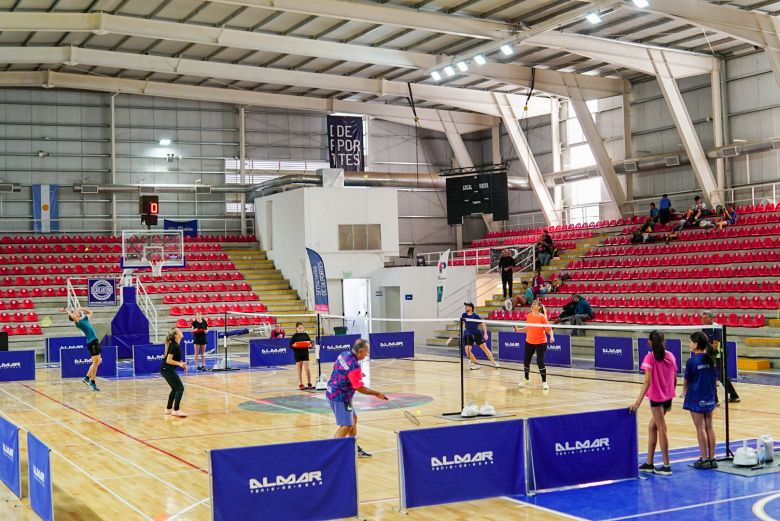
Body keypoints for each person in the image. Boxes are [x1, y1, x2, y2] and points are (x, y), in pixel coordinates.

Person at [326, 338, 387, 458]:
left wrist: (356, 375)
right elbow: (359, 388)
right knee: (346, 425)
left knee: (353, 419)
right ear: (360, 351)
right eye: (366, 351)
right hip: (340, 397)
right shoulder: (354, 365)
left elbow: (338, 369)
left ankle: (352, 447)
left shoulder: (344, 354)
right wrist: (376, 393)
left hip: (332, 390)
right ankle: (332, 453)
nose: (367, 354)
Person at [629, 331, 677, 476]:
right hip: (668, 397)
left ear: (650, 342)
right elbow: (674, 379)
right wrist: (670, 393)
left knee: (661, 428)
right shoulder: (671, 356)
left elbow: (647, 382)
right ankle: (649, 463)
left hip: (656, 399)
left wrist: (637, 403)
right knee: (652, 427)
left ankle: (666, 465)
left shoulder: (650, 358)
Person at [683, 331, 718, 469]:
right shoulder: (711, 359)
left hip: (696, 398)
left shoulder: (692, 362)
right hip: (709, 397)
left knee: (700, 428)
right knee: (709, 427)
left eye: (691, 341)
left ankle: (704, 459)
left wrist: (683, 392)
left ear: (696, 344)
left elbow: (687, 380)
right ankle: (712, 458)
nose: (689, 344)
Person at [701, 311, 740, 403]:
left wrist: (704, 350)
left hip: (719, 353)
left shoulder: (717, 327)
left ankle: (733, 395)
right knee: (711, 375)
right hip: (710, 353)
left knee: (721, 376)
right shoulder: (704, 328)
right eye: (702, 318)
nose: (703, 320)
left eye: (705, 318)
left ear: (711, 318)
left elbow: (715, 346)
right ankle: (716, 399)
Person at [60, 307, 101, 391]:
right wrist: (67, 311)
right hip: (91, 342)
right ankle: (91, 381)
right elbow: (73, 317)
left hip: (95, 341)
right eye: (74, 314)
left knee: (98, 361)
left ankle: (88, 379)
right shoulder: (78, 322)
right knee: (95, 362)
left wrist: (81, 308)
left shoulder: (85, 319)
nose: (75, 313)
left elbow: (90, 312)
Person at [518, 300, 554, 390]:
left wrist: (552, 337)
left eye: (534, 304)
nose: (532, 305)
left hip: (541, 342)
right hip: (529, 341)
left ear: (539, 307)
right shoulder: (529, 316)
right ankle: (526, 379)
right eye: (532, 304)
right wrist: (518, 330)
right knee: (526, 361)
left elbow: (549, 329)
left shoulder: (542, 317)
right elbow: (528, 328)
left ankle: (544, 382)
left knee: (540, 362)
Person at [461, 302, 499, 370]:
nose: (465, 308)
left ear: (471, 308)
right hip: (468, 334)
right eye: (465, 306)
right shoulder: (464, 315)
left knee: (485, 348)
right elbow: (462, 322)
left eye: (467, 306)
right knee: (467, 351)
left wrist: (485, 333)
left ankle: (494, 362)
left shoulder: (476, 316)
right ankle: (476, 364)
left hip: (476, 334)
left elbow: (483, 324)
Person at [161, 327, 188, 417]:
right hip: (167, 369)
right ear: (176, 335)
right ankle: (176, 410)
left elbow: (175, 358)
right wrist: (180, 364)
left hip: (166, 370)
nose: (181, 331)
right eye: (179, 331)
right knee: (180, 388)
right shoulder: (174, 345)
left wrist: (182, 364)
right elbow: (168, 360)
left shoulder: (176, 344)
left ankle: (168, 409)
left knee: (175, 389)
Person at [289, 322, 313, 390]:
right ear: (297, 329)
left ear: (303, 328)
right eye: (299, 328)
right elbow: (290, 345)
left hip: (305, 353)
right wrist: (294, 345)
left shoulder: (306, 335)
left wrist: (310, 345)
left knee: (307, 368)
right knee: (299, 369)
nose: (300, 329)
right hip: (297, 354)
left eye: (301, 328)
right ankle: (300, 383)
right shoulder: (294, 336)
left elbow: (310, 344)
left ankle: (309, 383)